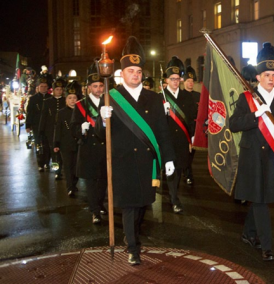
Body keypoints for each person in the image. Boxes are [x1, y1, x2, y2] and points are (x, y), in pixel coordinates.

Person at [96, 36, 175, 266]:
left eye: (138, 71)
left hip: (146, 163)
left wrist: (168, 158)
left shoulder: (154, 98)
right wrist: (102, 121)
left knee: (142, 206)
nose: (135, 75)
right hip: (122, 162)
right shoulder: (111, 98)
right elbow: (102, 137)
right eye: (131, 71)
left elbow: (162, 132)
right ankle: (133, 247)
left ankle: (131, 235)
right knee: (129, 205)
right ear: (122, 73)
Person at [229, 42, 274, 261]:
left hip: (271, 158)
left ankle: (249, 233)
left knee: (260, 198)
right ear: (258, 77)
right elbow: (234, 124)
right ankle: (267, 246)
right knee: (260, 201)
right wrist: (255, 116)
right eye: (266, 74)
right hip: (252, 156)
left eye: (273, 75)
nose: (270, 78)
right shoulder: (246, 99)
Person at [70, 62, 107, 224]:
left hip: (105, 147)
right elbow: (73, 130)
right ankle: (95, 211)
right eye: (95, 86)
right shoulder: (80, 105)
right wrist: (82, 129)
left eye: (100, 86)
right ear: (89, 87)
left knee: (104, 180)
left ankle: (99, 203)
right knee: (92, 182)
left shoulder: (108, 102)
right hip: (88, 149)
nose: (98, 89)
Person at [162, 56, 196, 213]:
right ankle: (174, 198)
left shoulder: (186, 97)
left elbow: (191, 119)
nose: (175, 82)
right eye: (172, 79)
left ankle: (172, 194)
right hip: (168, 140)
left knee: (180, 168)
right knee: (171, 170)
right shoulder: (159, 98)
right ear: (167, 79)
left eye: (177, 79)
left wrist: (193, 136)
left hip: (183, 140)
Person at [54, 81, 82, 197]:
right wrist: (56, 143)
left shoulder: (81, 112)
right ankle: (70, 187)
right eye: (69, 98)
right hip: (65, 144)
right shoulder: (61, 113)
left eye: (74, 98)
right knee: (68, 166)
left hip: (79, 144)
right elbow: (58, 128)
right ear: (66, 99)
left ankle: (74, 184)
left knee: (77, 167)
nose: (72, 100)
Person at [39, 77, 67, 179]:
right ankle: (57, 171)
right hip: (50, 130)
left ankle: (62, 168)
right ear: (53, 90)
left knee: (62, 152)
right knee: (54, 153)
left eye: (61, 89)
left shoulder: (65, 101)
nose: (59, 91)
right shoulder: (47, 101)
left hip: (63, 130)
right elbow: (44, 116)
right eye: (57, 89)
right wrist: (41, 130)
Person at [25, 75, 52, 172]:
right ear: (38, 87)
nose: (44, 88)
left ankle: (47, 162)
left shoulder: (51, 98)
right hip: (37, 125)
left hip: (48, 125)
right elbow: (30, 112)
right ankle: (40, 163)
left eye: (45, 86)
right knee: (39, 144)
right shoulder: (33, 99)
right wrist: (28, 125)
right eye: (42, 86)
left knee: (48, 144)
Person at [181, 65, 200, 185]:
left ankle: (187, 170)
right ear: (184, 82)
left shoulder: (198, 95)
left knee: (192, 152)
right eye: (188, 81)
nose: (190, 83)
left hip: (195, 127)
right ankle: (188, 173)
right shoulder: (180, 96)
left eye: (192, 81)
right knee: (186, 152)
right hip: (184, 127)